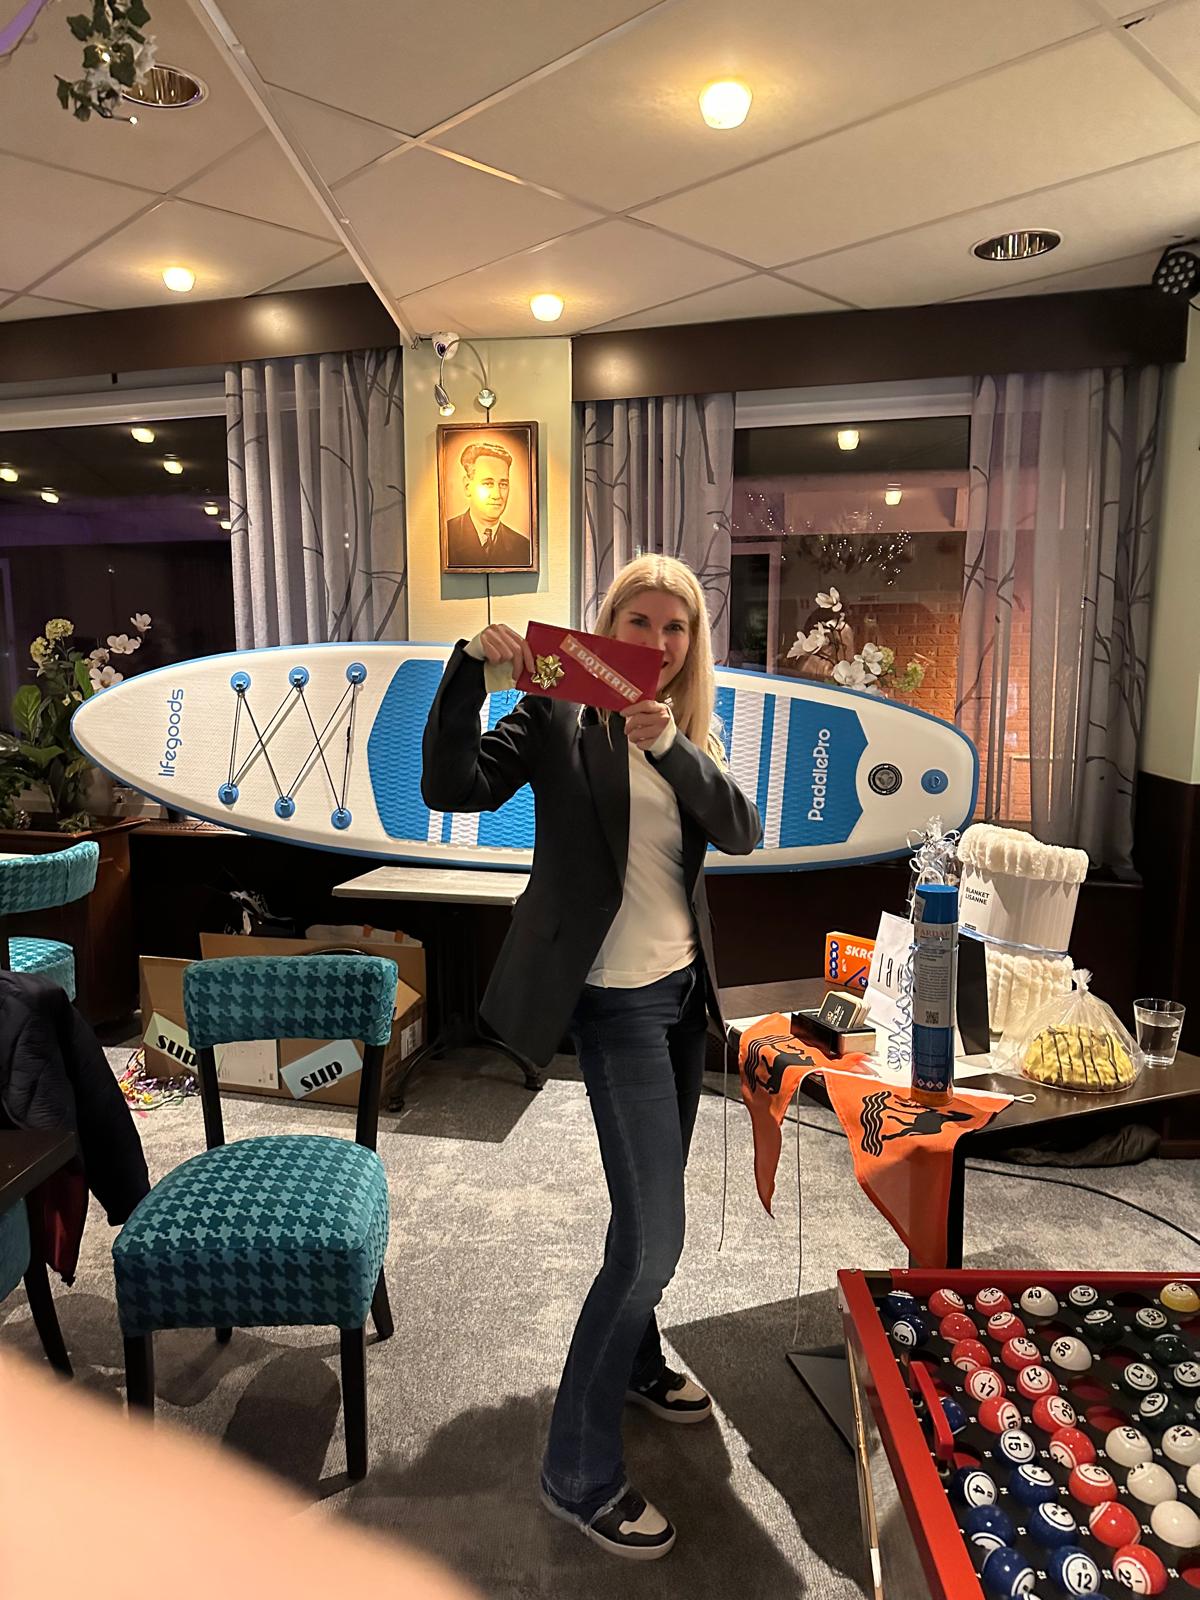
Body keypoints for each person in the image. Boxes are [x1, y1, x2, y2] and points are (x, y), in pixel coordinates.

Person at [421, 554, 762, 1561]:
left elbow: (741, 830)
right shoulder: (557, 712)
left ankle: (636, 1361)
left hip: (683, 1000)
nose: (657, 641)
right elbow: (452, 784)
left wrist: (673, 748)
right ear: (605, 625)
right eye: (638, 621)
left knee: (643, 1213)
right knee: (653, 1242)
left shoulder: (685, 728)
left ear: (692, 642)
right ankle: (576, 1470)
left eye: (676, 626)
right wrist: (467, 674)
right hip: (616, 1008)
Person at [443, 442, 532, 570]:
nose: (497, 495)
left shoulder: (523, 546)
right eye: (488, 484)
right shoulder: (446, 535)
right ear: (467, 486)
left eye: (503, 484)